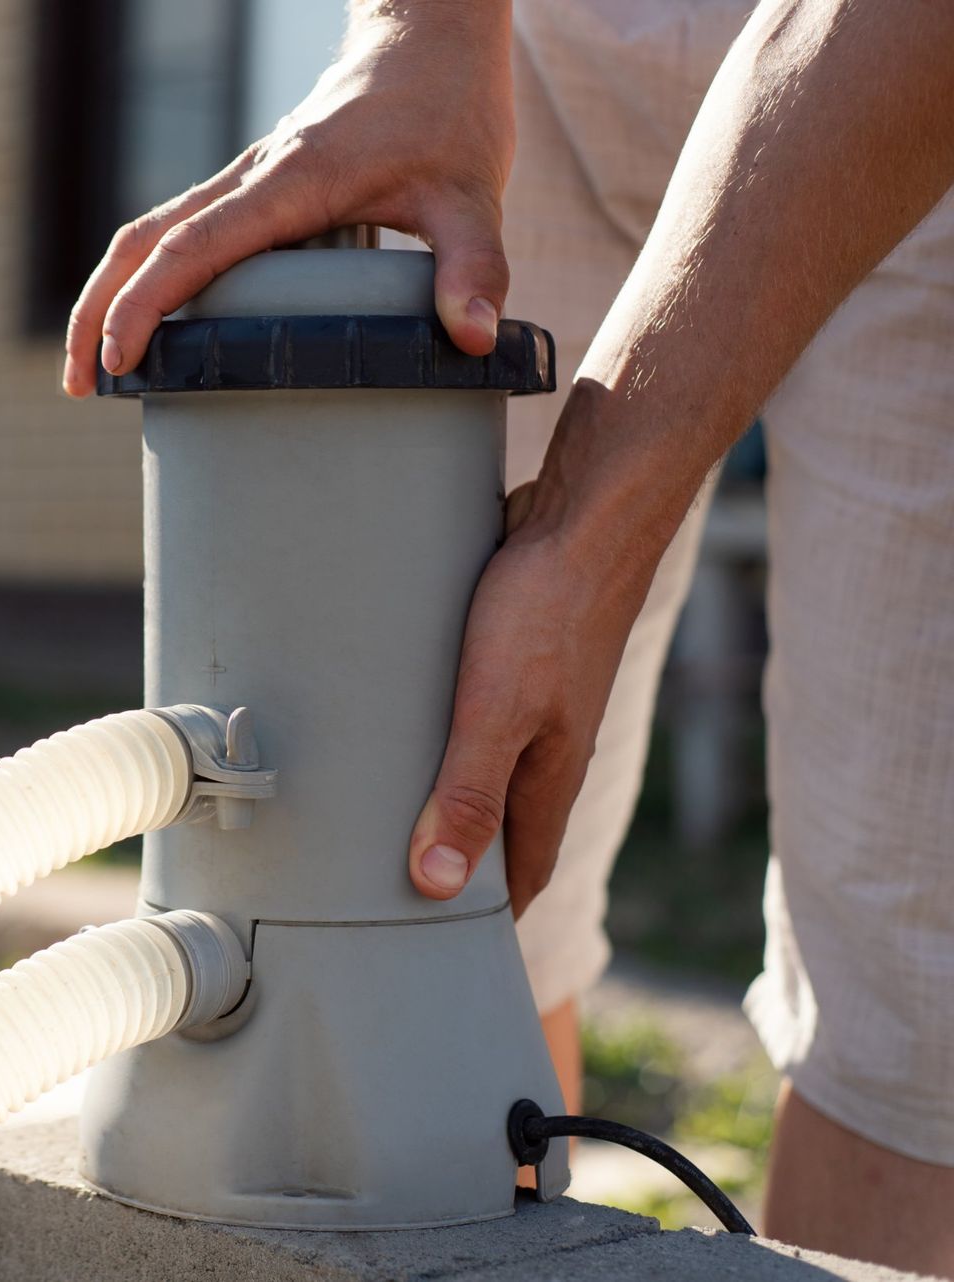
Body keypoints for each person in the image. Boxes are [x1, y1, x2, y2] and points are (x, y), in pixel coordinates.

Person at [62, 0, 954, 1273]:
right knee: (436, 888)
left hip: (918, 96)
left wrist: (594, 530)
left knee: (919, 996)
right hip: (551, 45)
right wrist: (418, 34)